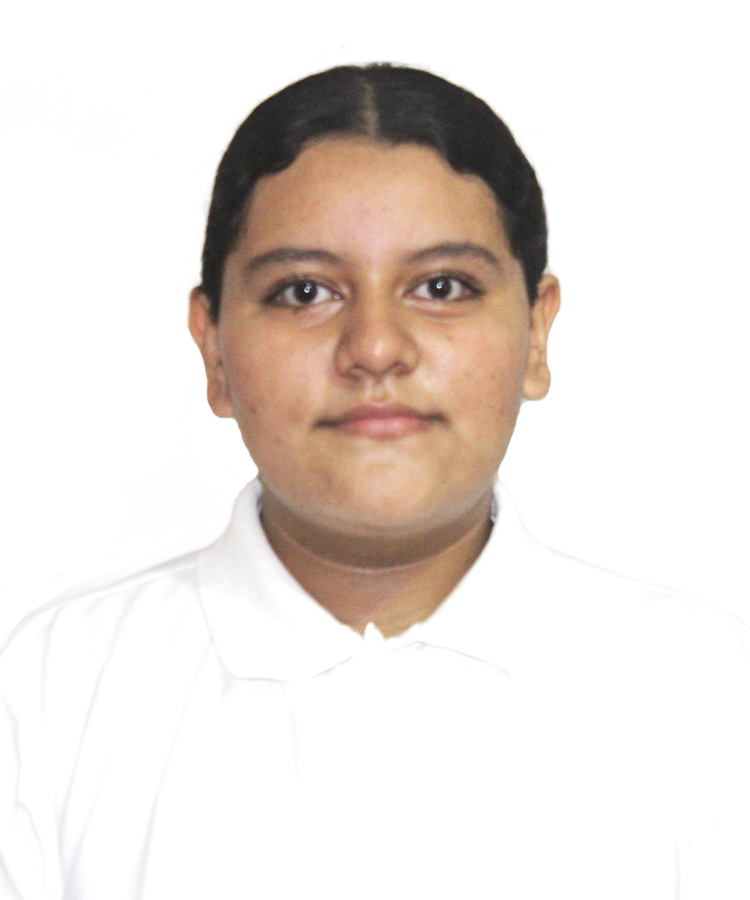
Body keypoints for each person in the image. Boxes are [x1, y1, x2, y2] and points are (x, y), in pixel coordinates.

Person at [1, 63, 749, 900]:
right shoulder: (50, 695)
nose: (376, 348)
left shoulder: (704, 693)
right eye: (305, 292)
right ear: (214, 349)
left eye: (441, 287)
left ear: (536, 335)